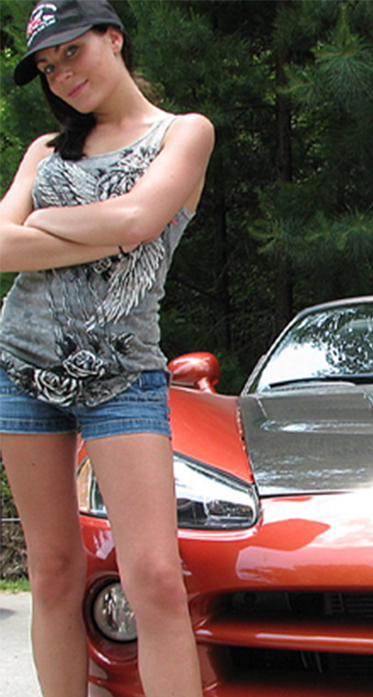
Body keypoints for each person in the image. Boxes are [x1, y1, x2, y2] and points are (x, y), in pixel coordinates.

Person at [0, 1, 213, 696]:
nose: (61, 74)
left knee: (153, 575)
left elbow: (145, 218)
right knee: (54, 569)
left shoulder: (182, 134)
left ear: (113, 39)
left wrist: (48, 219)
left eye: (72, 52)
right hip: (21, 370)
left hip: (124, 378)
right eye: (47, 67)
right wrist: (109, 227)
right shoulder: (43, 151)